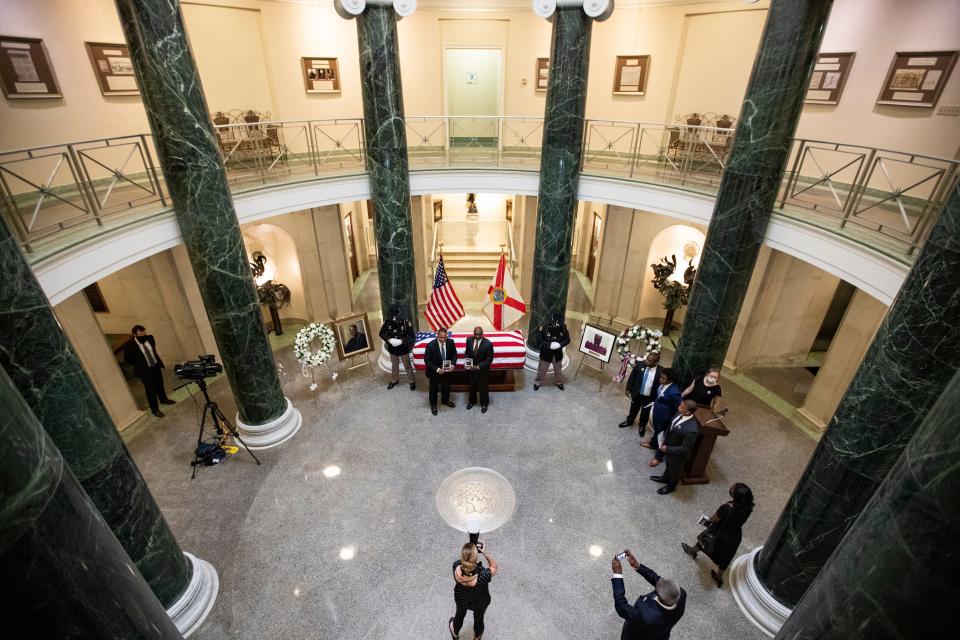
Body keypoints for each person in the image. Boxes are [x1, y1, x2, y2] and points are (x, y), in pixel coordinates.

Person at [682, 483, 755, 587]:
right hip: (735, 536)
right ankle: (719, 577)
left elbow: (713, 518)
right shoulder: (747, 508)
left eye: (733, 489)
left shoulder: (726, 508)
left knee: (705, 543)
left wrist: (710, 519)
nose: (731, 488)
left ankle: (692, 551)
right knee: (726, 557)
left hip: (720, 532)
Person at [611, 549, 686, 640]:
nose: (658, 581)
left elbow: (621, 606)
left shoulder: (645, 616)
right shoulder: (681, 594)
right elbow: (658, 580)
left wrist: (617, 575)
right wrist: (637, 566)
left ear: (659, 595)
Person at [122, 325, 175, 418]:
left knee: (159, 384)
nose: (143, 335)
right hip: (144, 371)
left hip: (155, 365)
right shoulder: (129, 346)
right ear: (134, 334)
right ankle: (155, 409)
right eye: (140, 334)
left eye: (144, 333)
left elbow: (153, 350)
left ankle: (163, 399)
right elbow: (128, 360)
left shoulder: (150, 338)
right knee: (150, 390)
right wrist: (140, 364)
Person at [449, 542, 497, 640]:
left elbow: (463, 562)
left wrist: (469, 551)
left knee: (459, 615)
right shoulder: (483, 575)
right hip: (480, 601)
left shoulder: (456, 566)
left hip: (461, 598)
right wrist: (485, 553)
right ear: (475, 559)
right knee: (479, 619)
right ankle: (477, 637)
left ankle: (455, 633)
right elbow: (494, 567)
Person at [650, 399, 699, 495]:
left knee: (675, 471)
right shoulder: (680, 413)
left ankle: (671, 486)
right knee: (668, 465)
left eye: (681, 407)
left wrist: (667, 449)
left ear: (688, 412)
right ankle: (664, 478)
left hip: (678, 456)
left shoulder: (692, 430)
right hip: (670, 447)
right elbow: (671, 426)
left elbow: (685, 448)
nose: (678, 408)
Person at [643, 368, 682, 469]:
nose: (660, 379)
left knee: (662, 437)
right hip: (657, 413)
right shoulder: (662, 384)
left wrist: (670, 418)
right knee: (657, 431)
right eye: (660, 376)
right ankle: (653, 444)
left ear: (670, 380)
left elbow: (678, 408)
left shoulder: (674, 392)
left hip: (665, 418)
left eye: (663, 378)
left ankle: (658, 457)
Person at [619, 351, 663, 435]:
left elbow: (660, 386)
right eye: (647, 359)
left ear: (656, 363)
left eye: (650, 361)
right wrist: (628, 389)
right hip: (637, 393)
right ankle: (629, 421)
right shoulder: (640, 364)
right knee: (633, 408)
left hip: (649, 396)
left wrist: (656, 399)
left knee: (645, 412)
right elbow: (632, 377)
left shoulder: (660, 371)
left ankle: (642, 426)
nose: (646, 361)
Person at [378, 303, 416, 391]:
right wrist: (389, 340)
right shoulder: (387, 322)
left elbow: (411, 335)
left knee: (407, 365)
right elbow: (381, 333)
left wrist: (402, 340)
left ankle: (411, 381)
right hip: (393, 349)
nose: (394, 318)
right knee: (394, 365)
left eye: (396, 314)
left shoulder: (405, 322)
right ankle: (394, 380)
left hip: (403, 348)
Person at [425, 327, 458, 415]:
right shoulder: (430, 345)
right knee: (433, 389)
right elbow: (427, 361)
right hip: (434, 371)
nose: (443, 340)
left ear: (447, 336)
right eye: (441, 337)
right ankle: (433, 405)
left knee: (446, 386)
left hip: (447, 371)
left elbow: (454, 355)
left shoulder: (451, 342)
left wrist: (453, 365)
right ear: (437, 336)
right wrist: (437, 369)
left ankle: (445, 400)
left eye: (445, 337)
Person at [534, 312, 570, 391]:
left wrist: (560, 344)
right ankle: (538, 382)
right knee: (542, 369)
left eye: (558, 322)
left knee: (558, 369)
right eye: (555, 322)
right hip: (546, 352)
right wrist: (549, 344)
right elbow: (539, 339)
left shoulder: (563, 327)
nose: (556, 324)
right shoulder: (544, 326)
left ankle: (559, 382)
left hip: (557, 353)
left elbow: (567, 339)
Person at [465, 326, 494, 413]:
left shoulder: (488, 344)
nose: (477, 336)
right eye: (476, 334)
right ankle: (472, 401)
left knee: (483, 388)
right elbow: (467, 352)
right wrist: (467, 362)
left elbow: (489, 359)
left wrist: (478, 366)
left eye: (479, 334)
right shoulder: (469, 340)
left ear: (482, 334)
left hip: (482, 371)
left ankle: (484, 403)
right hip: (471, 370)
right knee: (472, 386)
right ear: (473, 333)